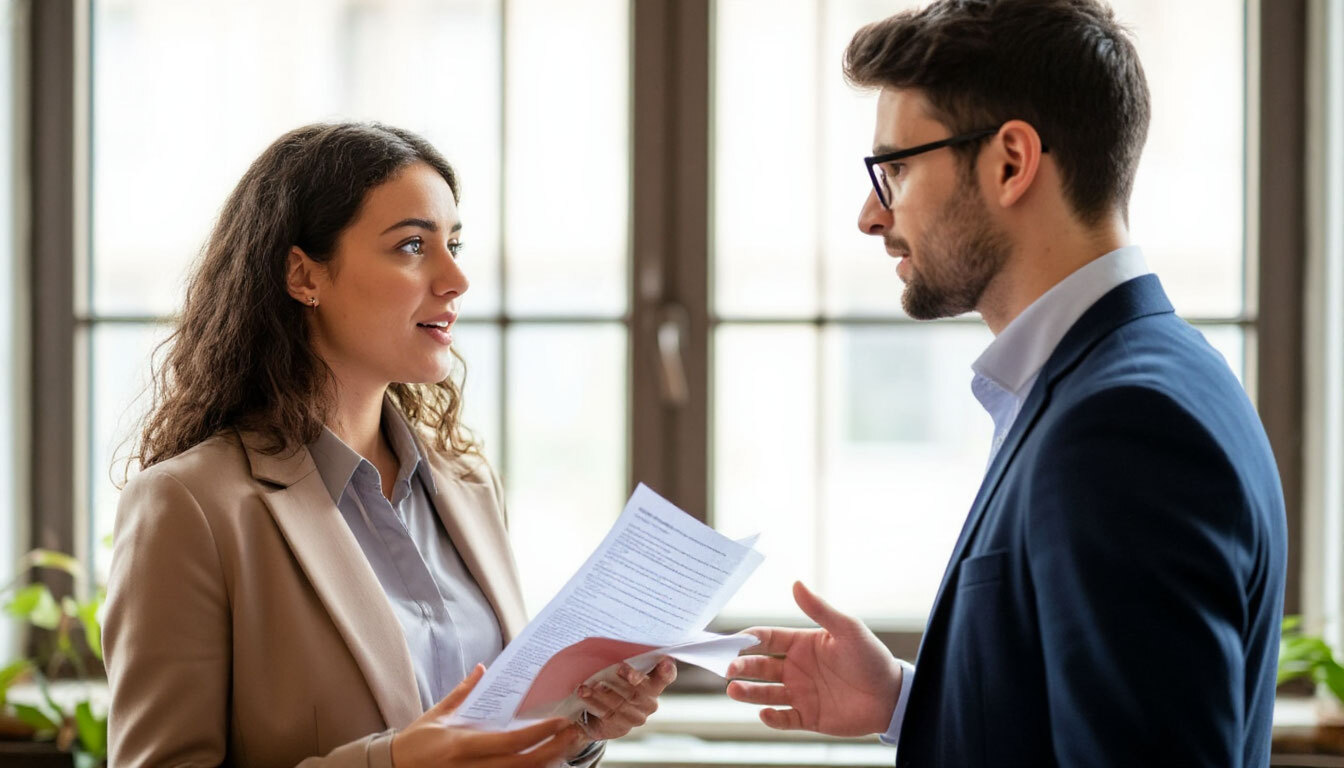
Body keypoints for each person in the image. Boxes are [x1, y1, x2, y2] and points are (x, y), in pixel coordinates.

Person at [725, 1, 1287, 765]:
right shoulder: (1137, 377)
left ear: (1011, 163)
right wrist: (904, 699)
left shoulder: (1124, 427)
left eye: (895, 168)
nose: (869, 214)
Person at [103, 122, 674, 767]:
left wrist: (576, 728)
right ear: (303, 275)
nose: (455, 278)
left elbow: (493, 737)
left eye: (454, 244)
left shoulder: (467, 483)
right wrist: (392, 762)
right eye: (412, 245)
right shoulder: (191, 506)